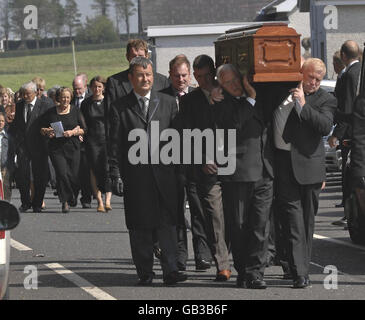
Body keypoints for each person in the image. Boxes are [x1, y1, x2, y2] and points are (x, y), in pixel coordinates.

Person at [108, 56, 186, 286]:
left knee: (167, 225)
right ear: (131, 78)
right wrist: (115, 174)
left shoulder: (168, 102)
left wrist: (180, 172)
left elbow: (178, 141)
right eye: (140, 75)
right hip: (136, 177)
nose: (146, 79)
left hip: (165, 176)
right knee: (140, 226)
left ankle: (171, 269)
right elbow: (114, 145)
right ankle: (145, 271)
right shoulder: (119, 107)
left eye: (149, 74)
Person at [273, 58, 336, 288]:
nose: (315, 83)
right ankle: (298, 271)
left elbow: (324, 126)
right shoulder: (282, 92)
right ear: (301, 73)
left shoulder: (326, 99)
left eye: (318, 80)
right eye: (311, 77)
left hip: (310, 169)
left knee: (306, 223)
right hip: (283, 164)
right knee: (292, 221)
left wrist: (303, 105)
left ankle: (301, 268)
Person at [213, 64, 274, 289]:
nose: (235, 85)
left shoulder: (257, 96)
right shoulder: (221, 104)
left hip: (263, 172)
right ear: (221, 85)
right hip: (237, 173)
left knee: (260, 225)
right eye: (228, 83)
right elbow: (234, 123)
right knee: (238, 225)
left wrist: (253, 93)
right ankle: (242, 268)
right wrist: (251, 98)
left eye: (236, 79)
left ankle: (256, 272)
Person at [178, 54, 231, 280]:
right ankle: (222, 265)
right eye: (198, 77)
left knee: (235, 216)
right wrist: (201, 159)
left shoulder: (230, 94)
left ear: (215, 73)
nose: (203, 81)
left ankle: (236, 256)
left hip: (234, 165)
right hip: (208, 169)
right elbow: (186, 135)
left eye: (207, 75)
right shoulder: (189, 101)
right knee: (214, 215)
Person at [161, 55, 212, 272]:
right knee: (176, 212)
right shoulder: (160, 98)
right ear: (170, 75)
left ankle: (202, 254)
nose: (181, 79)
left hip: (195, 163)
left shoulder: (200, 96)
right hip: (171, 164)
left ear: (189, 74)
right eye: (176, 75)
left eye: (184, 75)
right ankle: (180, 256)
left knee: (199, 211)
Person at [328, 41, 361, 220]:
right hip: (357, 128)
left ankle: (351, 214)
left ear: (343, 56)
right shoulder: (360, 71)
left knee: (350, 173)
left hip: (351, 131)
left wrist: (336, 133)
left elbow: (348, 107)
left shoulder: (349, 75)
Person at [40, 87, 86, 213]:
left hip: (73, 147)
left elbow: (84, 129)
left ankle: (73, 196)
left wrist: (72, 132)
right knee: (61, 174)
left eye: (67, 97)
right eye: (63, 97)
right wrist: (48, 132)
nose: (65, 100)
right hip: (56, 148)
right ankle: (64, 202)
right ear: (58, 98)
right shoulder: (51, 112)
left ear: (70, 98)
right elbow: (42, 129)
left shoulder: (76, 111)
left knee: (73, 176)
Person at [9, 81, 51, 213]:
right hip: (23, 146)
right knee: (23, 176)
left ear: (35, 92)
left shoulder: (45, 105)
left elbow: (50, 122)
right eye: (23, 94)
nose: (25, 96)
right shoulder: (20, 105)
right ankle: (25, 202)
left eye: (27, 94)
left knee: (40, 176)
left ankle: (38, 203)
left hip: (39, 146)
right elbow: (16, 124)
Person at [81, 76, 112, 213]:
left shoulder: (109, 102)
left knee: (107, 168)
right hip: (92, 140)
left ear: (103, 87)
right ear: (90, 88)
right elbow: (82, 122)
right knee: (94, 169)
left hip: (107, 139)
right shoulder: (86, 103)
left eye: (99, 86)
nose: (97, 89)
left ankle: (108, 200)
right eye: (94, 86)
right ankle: (99, 200)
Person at [72, 74, 93, 209]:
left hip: (88, 139)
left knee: (85, 170)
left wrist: (84, 132)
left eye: (79, 89)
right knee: (73, 170)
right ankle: (72, 196)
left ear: (85, 86)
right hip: (73, 139)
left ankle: (86, 198)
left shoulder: (91, 99)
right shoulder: (70, 99)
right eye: (75, 89)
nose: (77, 92)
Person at [0, 112, 15, 202]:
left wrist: (10, 167)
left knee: (6, 187)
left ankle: (6, 206)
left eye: (2, 121)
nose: (0, 123)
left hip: (5, 166)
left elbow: (12, 153)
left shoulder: (9, 137)